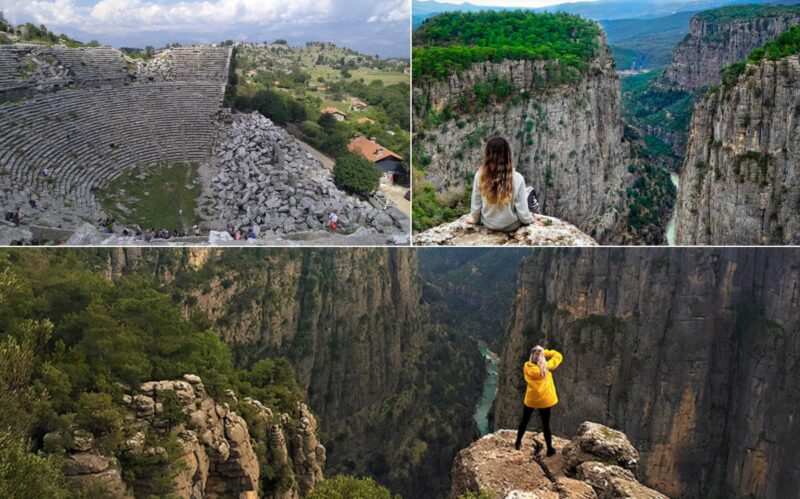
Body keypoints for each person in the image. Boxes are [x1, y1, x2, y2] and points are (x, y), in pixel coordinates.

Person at [467, 137, 537, 231]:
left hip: (488, 223)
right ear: (508, 155)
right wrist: (531, 221)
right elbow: (523, 212)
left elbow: (476, 204)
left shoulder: (479, 176)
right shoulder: (518, 178)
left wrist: (475, 219)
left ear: (487, 154)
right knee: (530, 194)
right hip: (511, 225)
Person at [515, 345, 563, 456]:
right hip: (544, 401)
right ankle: (549, 449)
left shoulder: (527, 367)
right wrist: (545, 352)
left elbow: (531, 362)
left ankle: (518, 442)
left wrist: (537, 353)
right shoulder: (547, 367)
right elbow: (558, 356)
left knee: (524, 421)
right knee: (546, 425)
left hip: (531, 399)